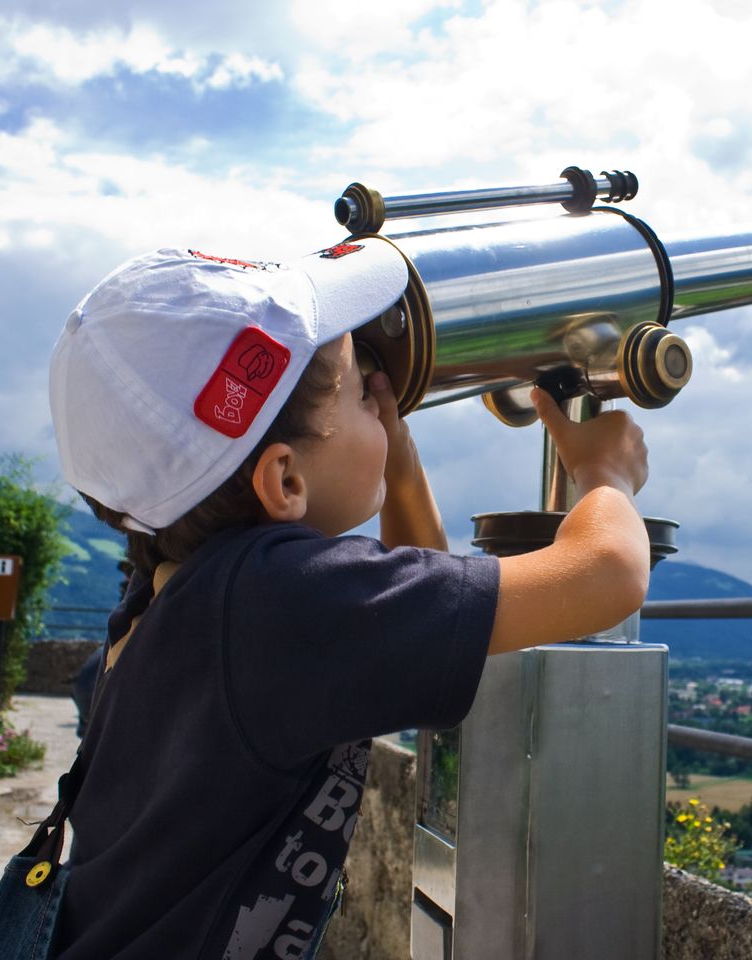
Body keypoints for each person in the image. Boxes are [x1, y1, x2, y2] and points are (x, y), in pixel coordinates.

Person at [46, 242, 650, 959]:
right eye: (363, 390)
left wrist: (396, 461)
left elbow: (412, 614)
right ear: (284, 481)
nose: (383, 395)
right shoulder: (276, 602)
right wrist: (605, 474)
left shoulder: (172, 595)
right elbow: (608, 574)